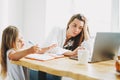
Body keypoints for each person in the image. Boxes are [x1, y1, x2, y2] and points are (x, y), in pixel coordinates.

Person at [39, 13, 90, 80]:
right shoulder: (57, 30)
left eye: (80, 28)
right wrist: (71, 53)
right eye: (74, 25)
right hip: (48, 66)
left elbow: (88, 52)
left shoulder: (78, 39)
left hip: (64, 68)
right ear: (69, 24)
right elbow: (51, 48)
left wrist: (85, 30)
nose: (76, 30)